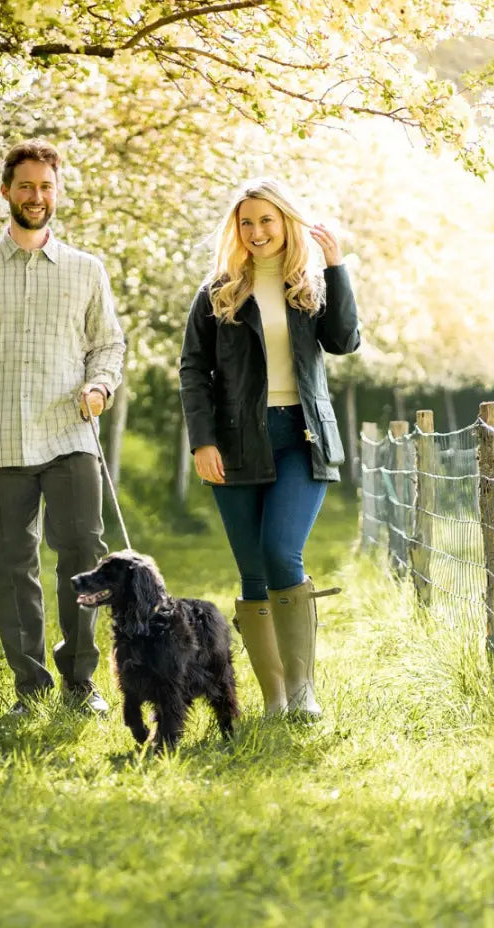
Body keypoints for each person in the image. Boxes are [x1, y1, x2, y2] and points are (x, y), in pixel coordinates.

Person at [0, 139, 125, 717]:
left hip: (69, 437)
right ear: (6, 191)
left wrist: (100, 387)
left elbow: (108, 344)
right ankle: (30, 687)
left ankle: (80, 682)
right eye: (26, 186)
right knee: (12, 570)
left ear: (57, 193)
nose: (36, 197)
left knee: (84, 558)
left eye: (46, 187)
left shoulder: (87, 271)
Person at [179, 178, 359, 720]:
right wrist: (202, 441)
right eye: (247, 222)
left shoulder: (310, 286)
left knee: (283, 552)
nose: (257, 232)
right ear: (237, 230)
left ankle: (304, 691)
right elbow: (193, 369)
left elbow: (344, 340)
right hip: (235, 444)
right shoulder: (217, 291)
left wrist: (336, 265)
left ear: (286, 223)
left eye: (267, 220)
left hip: (301, 440)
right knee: (253, 571)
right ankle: (275, 698)